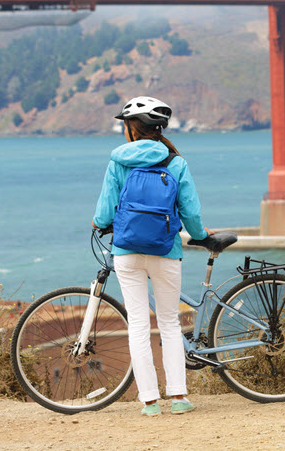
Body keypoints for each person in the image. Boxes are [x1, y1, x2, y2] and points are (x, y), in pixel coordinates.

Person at [93, 96, 211, 417]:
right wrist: (202, 237)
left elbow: (105, 212)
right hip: (166, 251)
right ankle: (179, 398)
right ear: (157, 128)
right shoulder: (176, 163)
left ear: (132, 129)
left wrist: (100, 224)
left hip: (127, 253)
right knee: (170, 324)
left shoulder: (118, 162)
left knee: (138, 326)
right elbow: (191, 213)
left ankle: (149, 401)